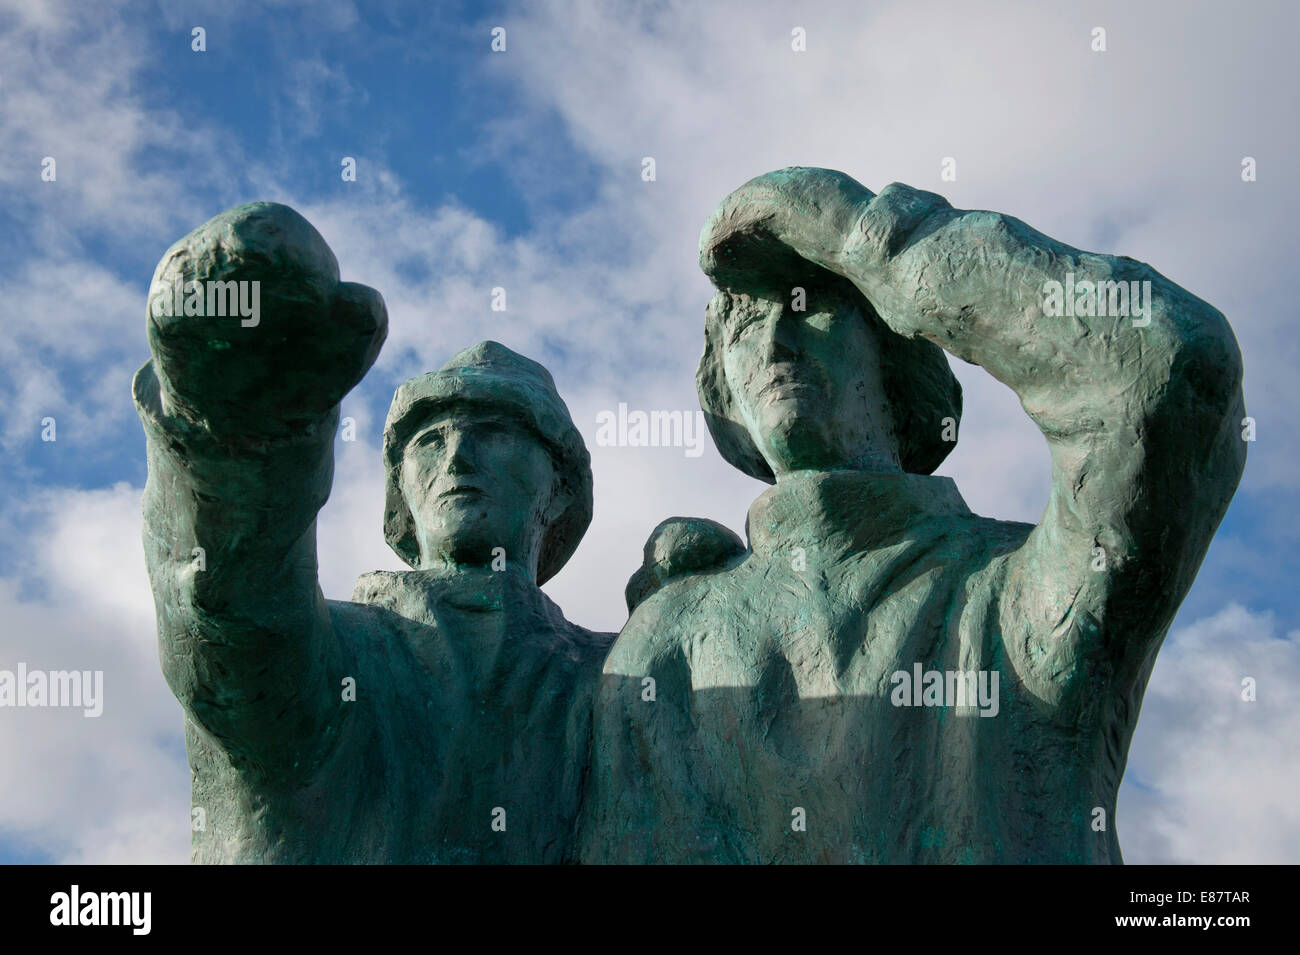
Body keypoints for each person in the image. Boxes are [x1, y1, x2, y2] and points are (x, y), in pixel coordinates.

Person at [579, 167, 1247, 864]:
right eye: (747, 320)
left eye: (814, 304)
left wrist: (878, 245)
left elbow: (1169, 369)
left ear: (895, 339)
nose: (775, 340)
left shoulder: (1011, 592)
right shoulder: (672, 639)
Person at [134, 202, 610, 863]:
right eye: (430, 440)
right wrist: (242, 438)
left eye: (494, 432)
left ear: (560, 484)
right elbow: (231, 612)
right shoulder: (338, 654)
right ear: (399, 501)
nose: (457, 458)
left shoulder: (625, 673)